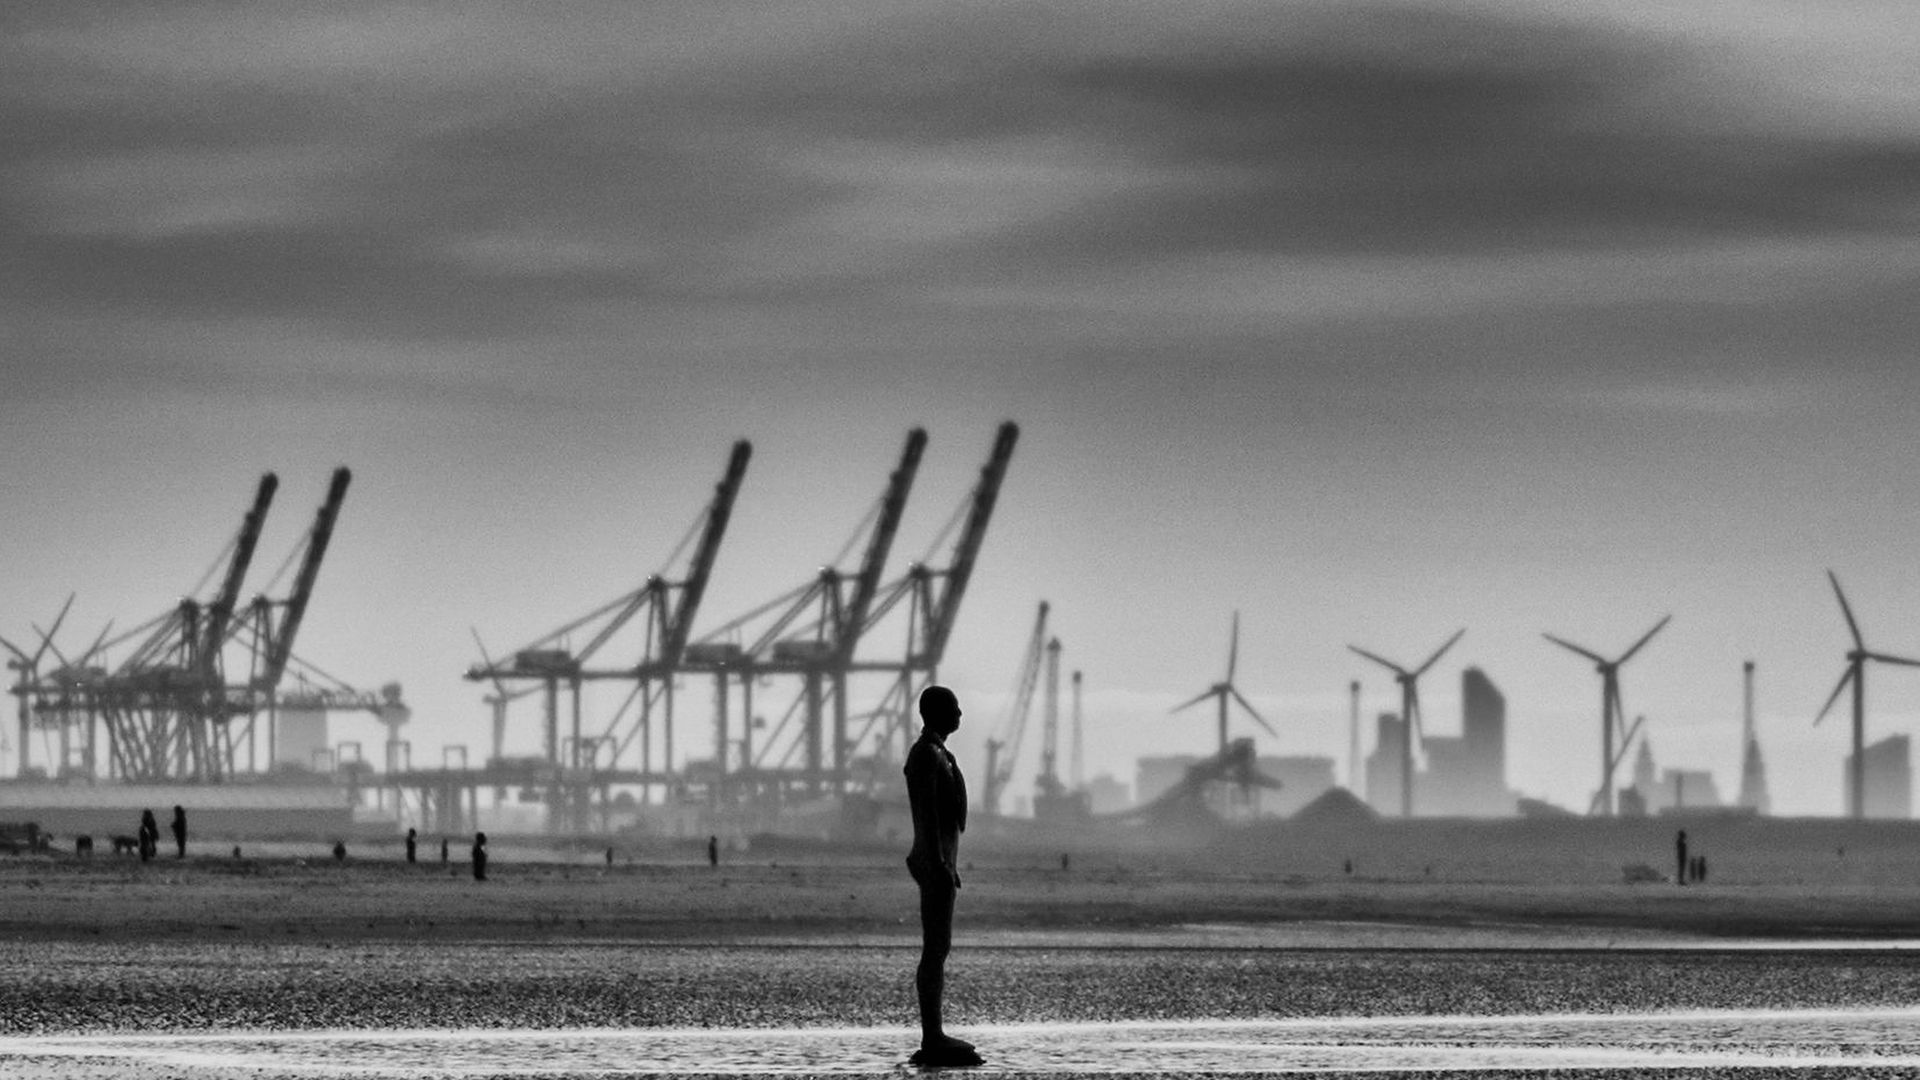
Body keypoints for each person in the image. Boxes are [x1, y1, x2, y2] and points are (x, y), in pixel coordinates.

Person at [904, 684, 981, 1067]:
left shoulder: (938, 753)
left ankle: (935, 1033)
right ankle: (932, 1035)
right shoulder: (926, 755)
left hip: (943, 863)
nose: (960, 714)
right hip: (934, 863)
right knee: (935, 948)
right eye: (954, 707)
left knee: (939, 947)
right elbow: (928, 813)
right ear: (935, 712)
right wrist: (936, 861)